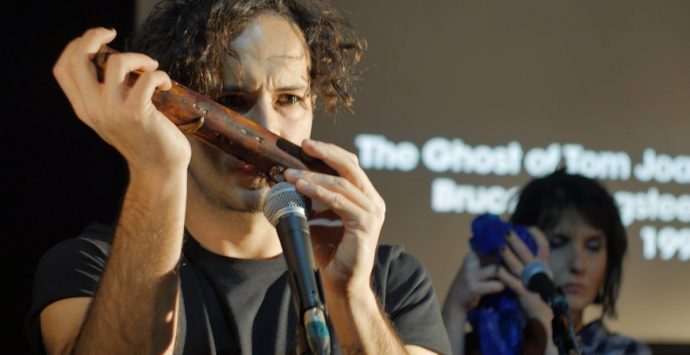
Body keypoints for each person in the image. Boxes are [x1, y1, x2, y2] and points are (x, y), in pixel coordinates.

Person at [27, 1, 451, 354]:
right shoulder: (91, 265)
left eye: (289, 99)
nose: (269, 124)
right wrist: (157, 171)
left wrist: (351, 300)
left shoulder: (390, 279)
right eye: (232, 100)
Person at [442, 169, 651, 354]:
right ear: (524, 246)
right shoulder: (485, 343)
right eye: (558, 243)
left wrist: (546, 321)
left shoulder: (624, 351)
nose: (578, 265)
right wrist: (454, 311)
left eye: (593, 247)